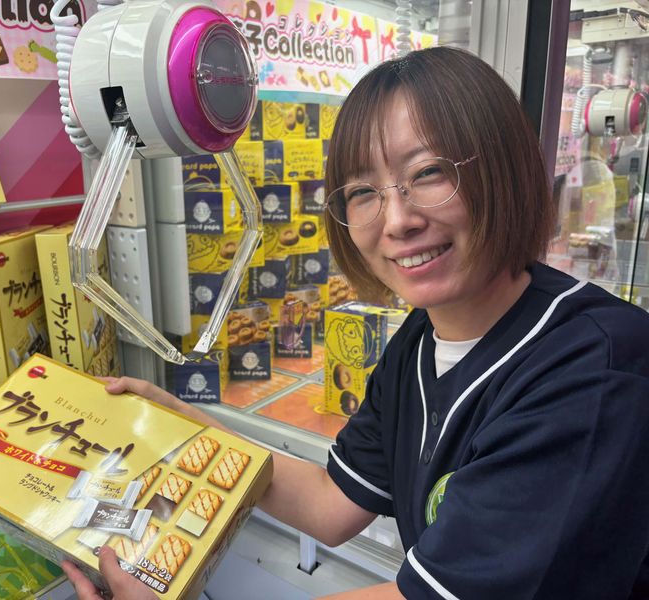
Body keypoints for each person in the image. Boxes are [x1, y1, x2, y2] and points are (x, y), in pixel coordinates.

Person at [62, 46, 649, 600]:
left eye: (428, 172)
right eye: (363, 191)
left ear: (504, 169)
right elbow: (331, 503)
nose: (396, 220)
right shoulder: (418, 343)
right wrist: (184, 426)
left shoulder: (594, 370)